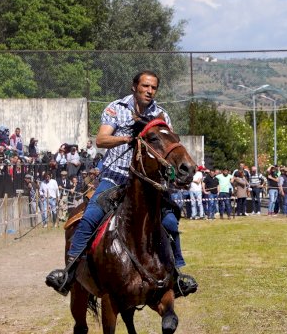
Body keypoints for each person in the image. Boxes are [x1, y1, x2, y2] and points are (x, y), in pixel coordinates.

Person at [45, 71, 196, 296]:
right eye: (145, 86)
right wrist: (128, 139)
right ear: (134, 86)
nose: (149, 91)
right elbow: (101, 139)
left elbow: (166, 146)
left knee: (170, 222)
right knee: (90, 216)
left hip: (148, 183)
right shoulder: (116, 108)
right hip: (115, 177)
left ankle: (177, 275)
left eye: (153, 87)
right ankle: (69, 272)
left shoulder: (161, 115)